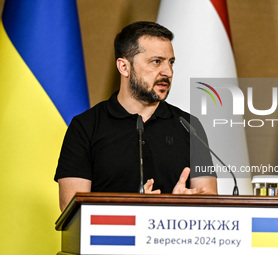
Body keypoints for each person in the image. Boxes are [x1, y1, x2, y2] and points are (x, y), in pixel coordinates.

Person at [54, 21, 217, 211]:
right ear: (124, 67)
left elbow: (210, 197)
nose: (168, 72)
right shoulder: (85, 126)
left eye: (171, 62)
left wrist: (182, 204)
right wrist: (133, 209)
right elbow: (71, 207)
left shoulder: (189, 125)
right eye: (156, 61)